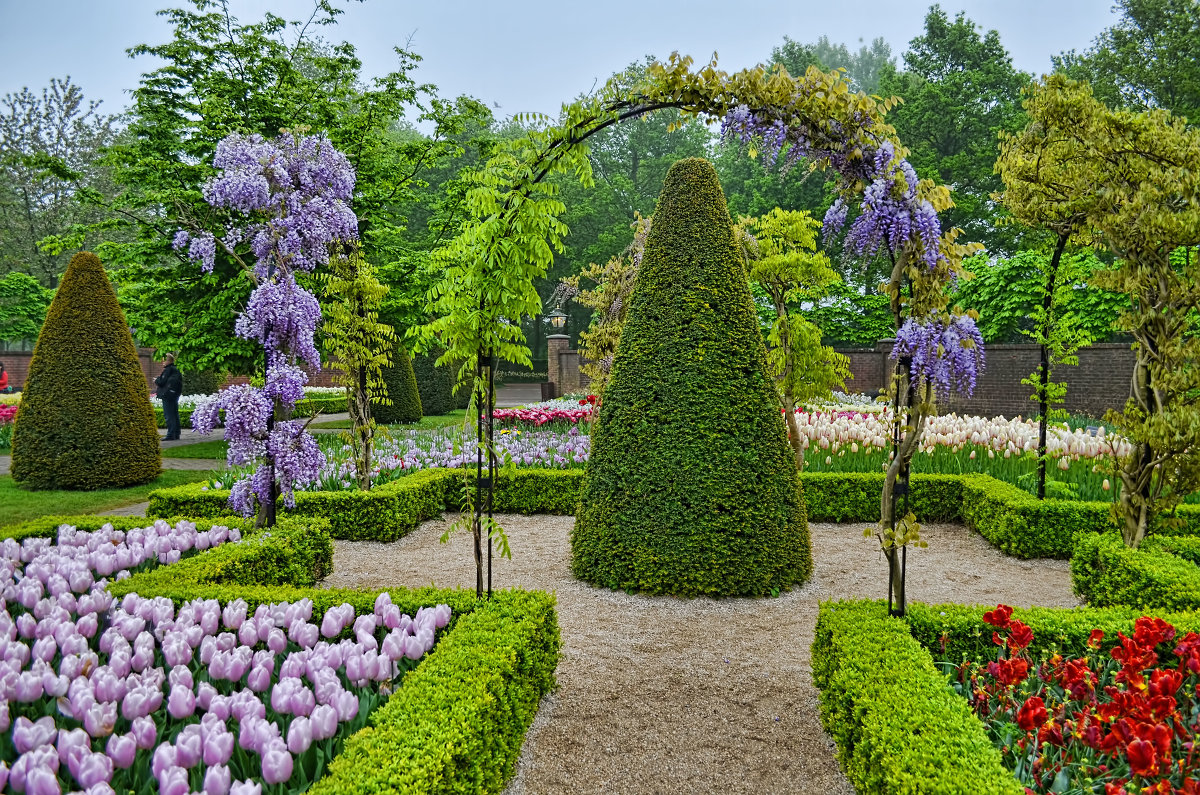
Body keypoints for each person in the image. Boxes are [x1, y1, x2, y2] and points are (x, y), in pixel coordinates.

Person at [155, 353, 184, 440]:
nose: (163, 362)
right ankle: (176, 433)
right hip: (174, 394)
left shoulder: (168, 370)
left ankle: (170, 435)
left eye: (164, 360)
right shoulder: (176, 370)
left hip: (167, 395)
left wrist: (156, 380)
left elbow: (161, 381)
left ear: (169, 361)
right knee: (174, 414)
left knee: (169, 415)